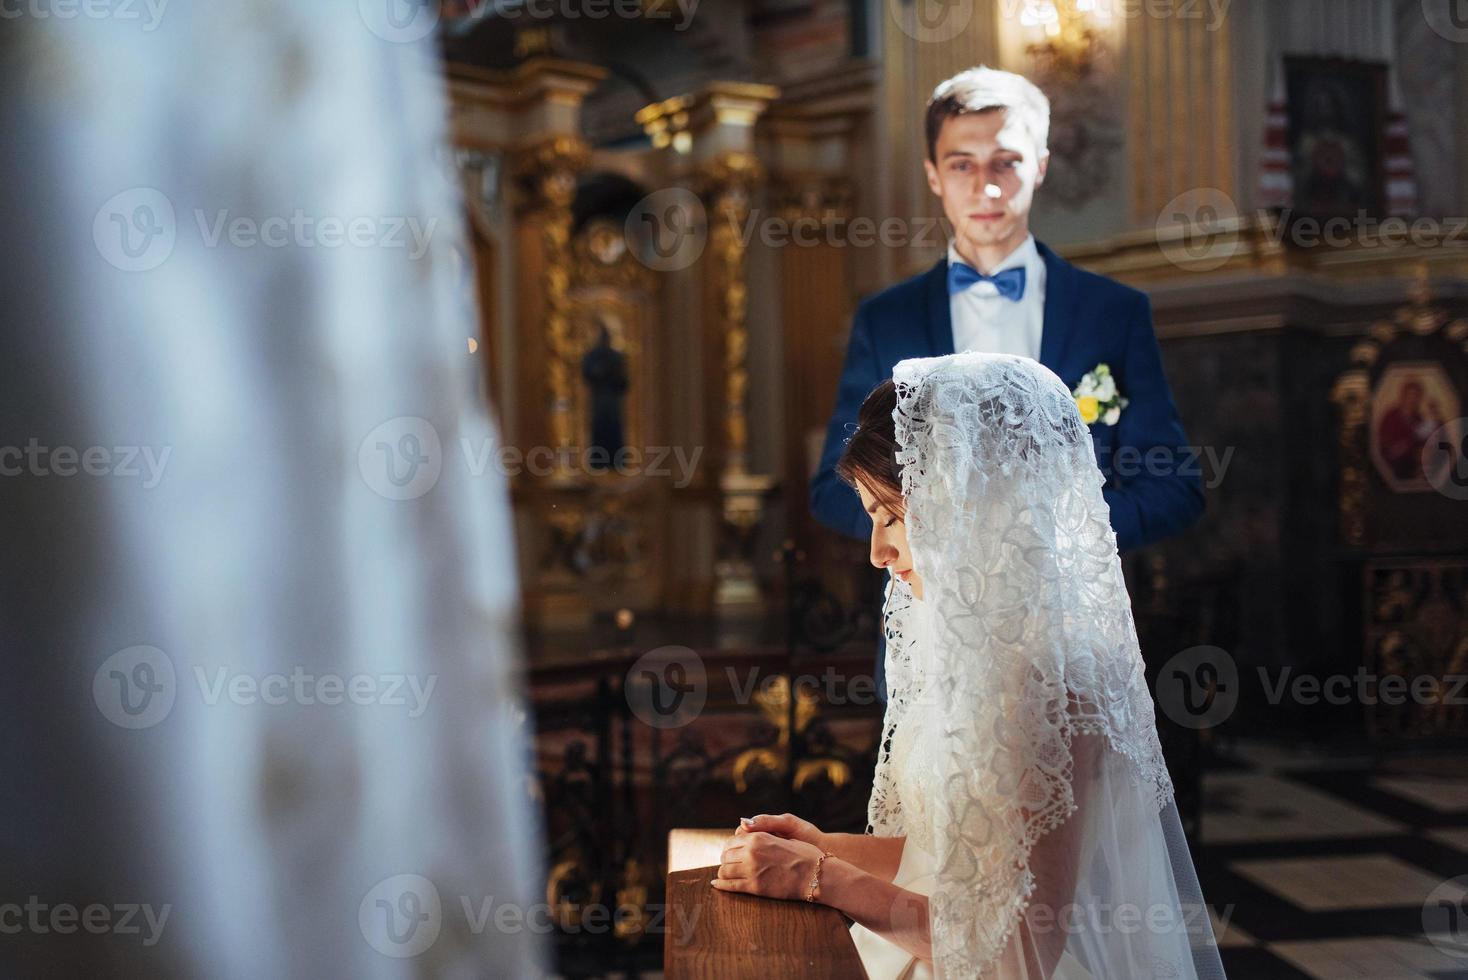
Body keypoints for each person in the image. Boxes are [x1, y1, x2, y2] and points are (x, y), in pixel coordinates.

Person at [717, 353, 1227, 979]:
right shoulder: (977, 650)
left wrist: (820, 878)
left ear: (969, 506)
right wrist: (821, 847)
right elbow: (949, 858)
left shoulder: (1051, 679)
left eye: (893, 519)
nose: (878, 553)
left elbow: (1021, 948)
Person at [809, 66, 1203, 702]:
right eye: (962, 164)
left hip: (1074, 631)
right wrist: (937, 538)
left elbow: (1175, 486)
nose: (987, 186)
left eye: (1007, 161)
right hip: (931, 634)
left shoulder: (1113, 312)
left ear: (1042, 165)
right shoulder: (887, 318)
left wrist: (1062, 534)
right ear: (933, 175)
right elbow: (833, 485)